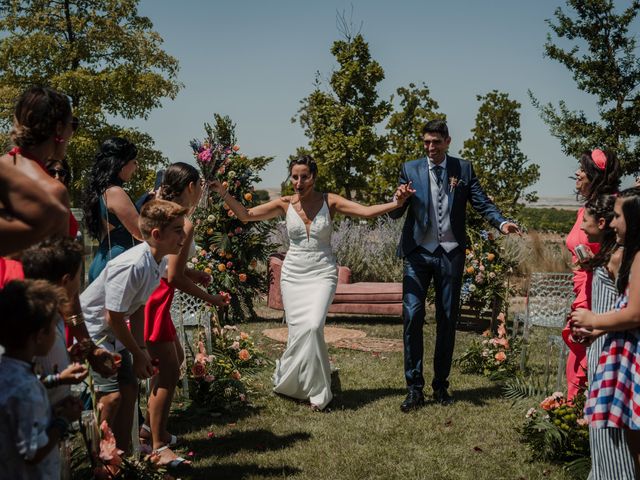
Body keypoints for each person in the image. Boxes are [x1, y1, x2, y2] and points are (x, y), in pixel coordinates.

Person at [210, 155, 414, 411]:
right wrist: (223, 192)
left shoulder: (330, 201)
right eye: (294, 177)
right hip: (293, 274)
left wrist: (397, 201)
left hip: (322, 273)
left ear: (313, 177)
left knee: (314, 326)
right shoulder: (284, 204)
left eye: (304, 176)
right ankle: (295, 382)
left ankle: (318, 392)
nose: (298, 182)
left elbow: (366, 211)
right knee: (298, 331)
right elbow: (245, 215)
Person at [389, 119, 520, 412]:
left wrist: (501, 222)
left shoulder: (463, 169)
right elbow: (397, 211)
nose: (431, 148)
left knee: (448, 318)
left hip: (450, 253)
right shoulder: (410, 169)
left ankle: (441, 385)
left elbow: (481, 202)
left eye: (436, 142)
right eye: (426, 142)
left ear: (448, 141)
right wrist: (398, 200)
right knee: (412, 315)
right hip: (417, 253)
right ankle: (414, 389)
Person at [0, 85, 116, 379]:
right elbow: (65, 281)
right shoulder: (51, 193)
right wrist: (88, 347)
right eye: (71, 124)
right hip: (30, 320)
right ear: (59, 129)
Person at [81, 199, 187, 452]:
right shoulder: (132, 265)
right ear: (157, 234)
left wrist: (140, 349)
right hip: (92, 332)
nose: (183, 235)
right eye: (178, 230)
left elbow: (138, 307)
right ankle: (101, 461)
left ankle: (124, 454)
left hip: (114, 333)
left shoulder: (157, 261)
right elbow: (112, 317)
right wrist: (138, 355)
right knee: (111, 397)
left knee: (129, 391)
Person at [141, 163, 229, 465]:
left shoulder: (160, 210)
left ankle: (152, 430)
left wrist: (194, 272)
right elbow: (173, 278)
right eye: (200, 185)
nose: (202, 191)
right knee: (167, 371)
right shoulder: (182, 222)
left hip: (154, 294)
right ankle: (157, 444)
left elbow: (168, 264)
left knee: (175, 359)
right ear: (190, 186)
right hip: (156, 297)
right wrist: (212, 298)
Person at [571, 187, 640, 475]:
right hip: (620, 349)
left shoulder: (635, 259)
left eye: (617, 217)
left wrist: (594, 319)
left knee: (630, 442)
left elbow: (635, 314)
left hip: (632, 358)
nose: (612, 223)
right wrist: (596, 332)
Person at [0, 279, 82, 480]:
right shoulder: (27, 389)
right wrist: (63, 421)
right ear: (39, 336)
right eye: (54, 327)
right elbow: (33, 451)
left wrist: (56, 383)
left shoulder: (7, 371)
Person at [563, 149, 620, 401]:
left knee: (595, 359)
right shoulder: (586, 209)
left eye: (583, 169)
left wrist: (595, 263)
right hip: (582, 291)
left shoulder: (615, 208)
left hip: (605, 295)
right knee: (576, 360)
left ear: (595, 175)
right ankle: (572, 420)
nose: (577, 173)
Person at [21, 237, 90, 405]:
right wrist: (60, 379)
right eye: (78, 278)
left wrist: (66, 354)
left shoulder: (54, 313)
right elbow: (19, 380)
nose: (78, 286)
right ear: (66, 280)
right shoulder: (32, 320)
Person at [83, 137, 142, 283]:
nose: (137, 166)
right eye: (134, 162)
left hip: (104, 260)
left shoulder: (102, 191)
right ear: (122, 165)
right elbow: (141, 232)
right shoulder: (115, 192)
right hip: (115, 265)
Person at [0, 163, 67, 257]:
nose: (57, 176)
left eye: (62, 173)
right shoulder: (31, 204)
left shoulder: (63, 199)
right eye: (52, 172)